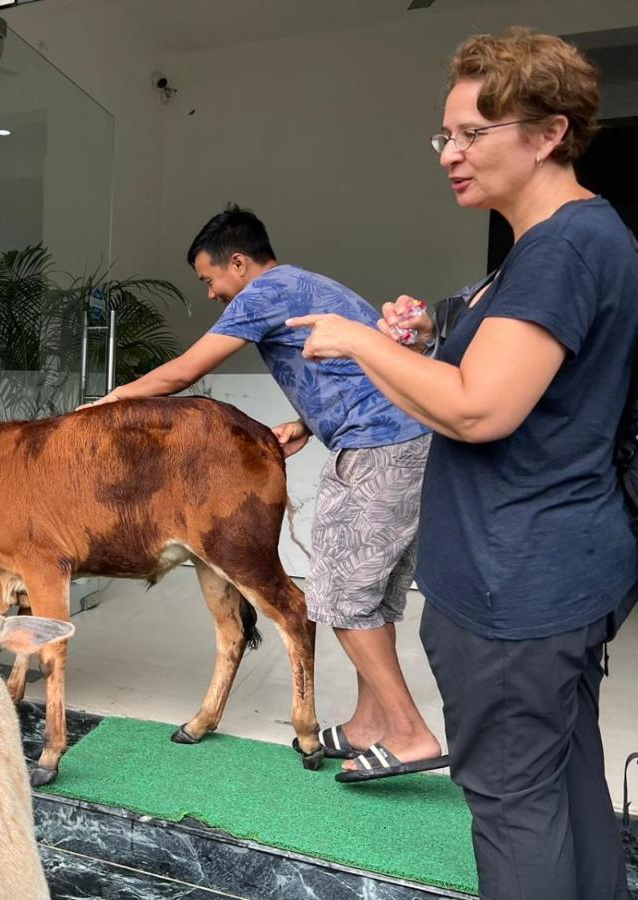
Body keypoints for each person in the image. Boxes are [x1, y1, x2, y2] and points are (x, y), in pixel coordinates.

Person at [288, 28, 635, 900]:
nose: (450, 153)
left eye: (472, 133)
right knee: (560, 780)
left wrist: (365, 343)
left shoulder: (563, 247)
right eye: (443, 135)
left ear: (549, 132)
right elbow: (500, 369)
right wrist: (429, 334)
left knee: (512, 802)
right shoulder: (563, 242)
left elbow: (482, 407)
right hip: (555, 573)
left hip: (515, 585)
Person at [89, 205, 445, 778]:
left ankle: (410, 734)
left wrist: (110, 402)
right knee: (369, 596)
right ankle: (367, 724)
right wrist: (307, 422)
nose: (210, 293)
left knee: (341, 592)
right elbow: (354, 366)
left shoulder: (265, 292)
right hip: (401, 438)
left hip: (381, 445)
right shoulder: (305, 285)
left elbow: (183, 373)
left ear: (237, 262)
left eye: (209, 279)